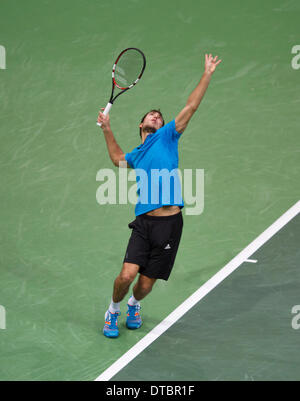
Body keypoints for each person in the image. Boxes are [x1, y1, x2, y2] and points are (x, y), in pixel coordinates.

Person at [97, 54, 222, 338]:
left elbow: (191, 106)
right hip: (144, 223)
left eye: (160, 116)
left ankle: (133, 305)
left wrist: (207, 73)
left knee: (144, 286)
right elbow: (117, 158)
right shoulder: (137, 154)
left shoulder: (167, 136)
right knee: (127, 276)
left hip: (171, 224)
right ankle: (113, 310)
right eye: (151, 116)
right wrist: (106, 128)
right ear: (141, 126)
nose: (156, 116)